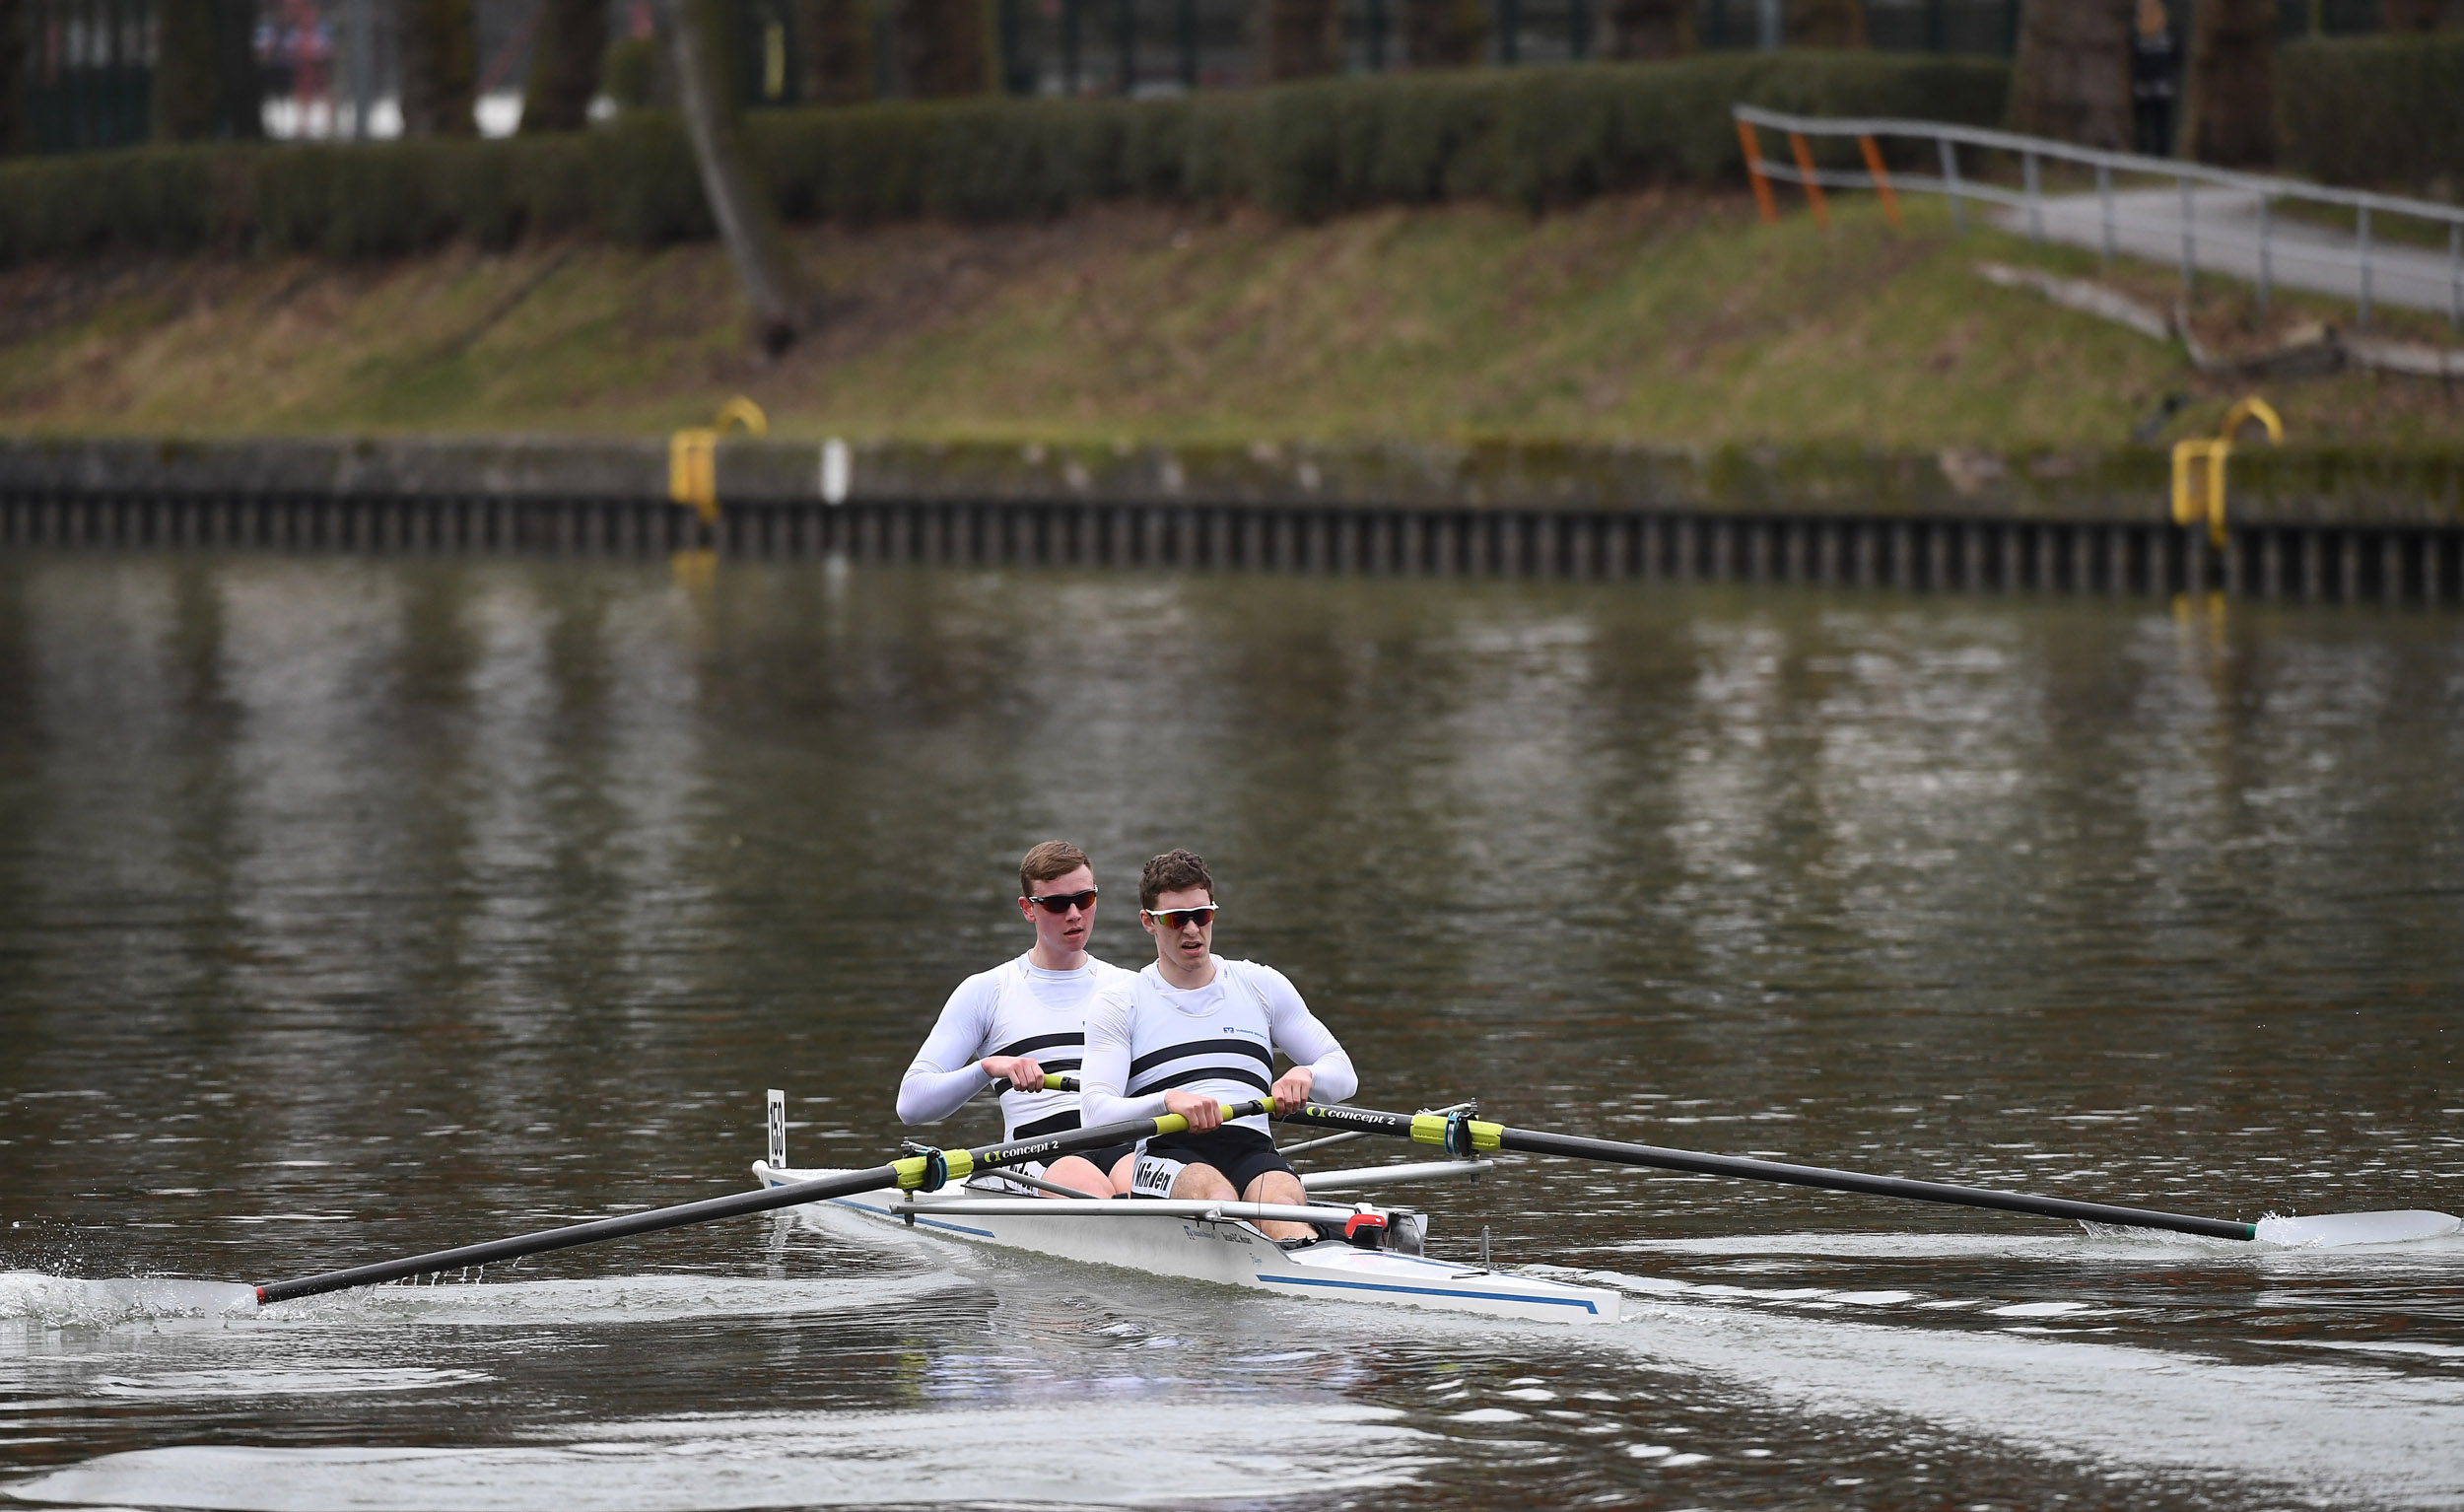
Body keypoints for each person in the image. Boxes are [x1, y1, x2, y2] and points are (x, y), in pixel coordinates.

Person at [1080, 849, 1357, 1242]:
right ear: (1148, 922)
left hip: (1251, 1146)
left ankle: (1310, 1260)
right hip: (1166, 1151)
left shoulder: (1261, 985)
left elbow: (1344, 1075)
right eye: (1177, 919)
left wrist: (1307, 1075)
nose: (1192, 929)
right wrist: (1167, 1101)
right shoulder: (1120, 1002)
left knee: (1280, 1205)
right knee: (1217, 1196)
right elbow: (1093, 1114)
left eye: (1203, 915)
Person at [896, 841, 1138, 1198]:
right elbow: (911, 1104)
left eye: (1084, 899)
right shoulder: (987, 991)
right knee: (1091, 1192)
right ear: (1028, 909)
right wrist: (987, 1068)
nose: (1074, 914)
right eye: (1057, 904)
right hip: (1036, 1145)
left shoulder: (1131, 987)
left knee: (1142, 1187)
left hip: (1121, 1138)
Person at [2131, 0, 2180, 160]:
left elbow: (2177, 57)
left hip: (2154, 87)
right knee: (2152, 124)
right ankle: (2151, 153)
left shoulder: (2165, 33)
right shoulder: (2138, 33)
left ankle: (2159, 155)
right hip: (2150, 87)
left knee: (2157, 124)